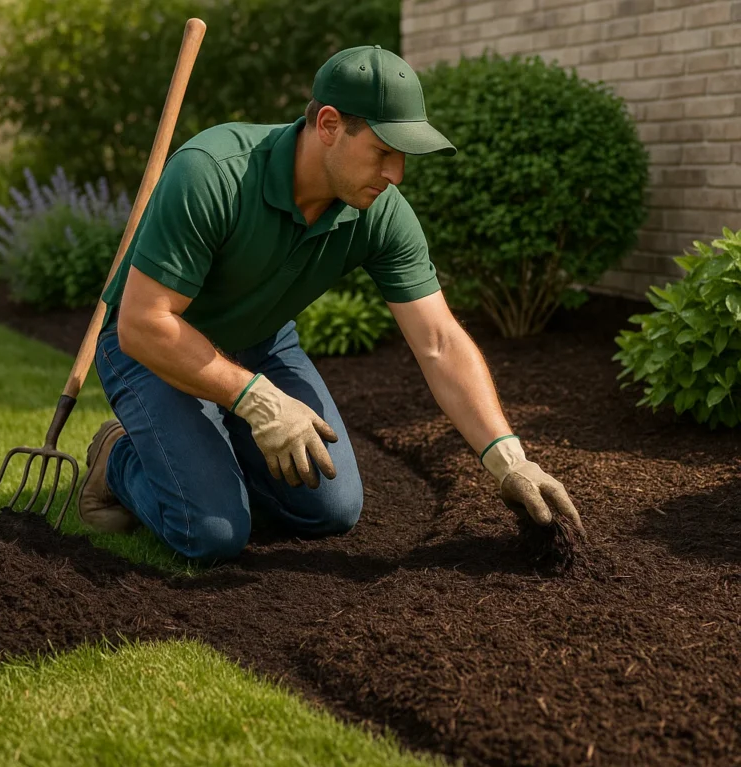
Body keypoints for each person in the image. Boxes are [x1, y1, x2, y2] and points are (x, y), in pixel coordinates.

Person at [78, 45, 585, 563]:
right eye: (384, 151)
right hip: (153, 353)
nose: (396, 175)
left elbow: (439, 341)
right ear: (328, 124)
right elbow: (143, 324)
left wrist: (508, 458)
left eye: (404, 157)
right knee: (211, 534)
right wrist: (258, 400)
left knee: (332, 509)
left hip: (260, 344)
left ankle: (208, 458)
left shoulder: (380, 212)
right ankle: (118, 458)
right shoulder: (212, 174)